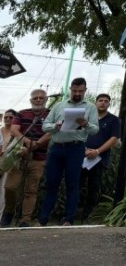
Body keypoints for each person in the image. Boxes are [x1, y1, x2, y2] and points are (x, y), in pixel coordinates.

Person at [39, 78, 99, 226]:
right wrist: (56, 126)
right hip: (57, 148)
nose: (77, 93)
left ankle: (69, 219)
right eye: (74, 91)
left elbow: (95, 130)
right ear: (70, 90)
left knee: (73, 184)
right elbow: (44, 126)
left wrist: (86, 124)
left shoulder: (90, 107)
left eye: (80, 91)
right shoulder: (59, 105)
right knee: (52, 183)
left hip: (76, 148)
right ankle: (43, 219)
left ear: (85, 90)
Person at [2, 92, 52, 228]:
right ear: (31, 100)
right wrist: (28, 142)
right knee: (10, 187)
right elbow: (14, 130)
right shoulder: (22, 113)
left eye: (41, 98)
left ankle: (26, 219)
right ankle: (9, 211)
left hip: (39, 158)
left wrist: (38, 144)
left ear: (46, 99)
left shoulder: (51, 114)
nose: (38, 100)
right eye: (35, 98)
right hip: (19, 157)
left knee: (31, 189)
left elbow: (52, 132)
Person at [80, 93, 121, 222]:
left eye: (106, 101)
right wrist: (85, 150)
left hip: (99, 159)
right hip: (82, 156)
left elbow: (114, 139)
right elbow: (77, 134)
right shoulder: (86, 118)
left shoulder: (114, 120)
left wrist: (97, 151)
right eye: (100, 100)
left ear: (109, 104)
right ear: (96, 102)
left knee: (94, 188)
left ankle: (88, 216)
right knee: (76, 185)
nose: (103, 103)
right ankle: (70, 214)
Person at [0, 109, 16, 217]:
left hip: (9, 165)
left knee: (3, 191)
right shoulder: (0, 131)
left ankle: (1, 215)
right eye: (6, 117)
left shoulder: (16, 132)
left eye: (11, 117)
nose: (7, 119)